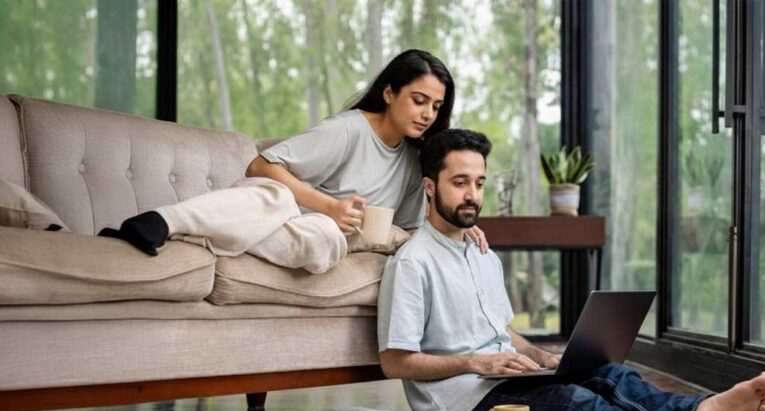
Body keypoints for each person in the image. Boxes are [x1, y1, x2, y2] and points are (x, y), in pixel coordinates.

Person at [377, 128, 765, 411]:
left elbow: (502, 331)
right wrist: (476, 362)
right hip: (459, 399)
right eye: (459, 182)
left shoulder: (483, 253)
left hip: (503, 377)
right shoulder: (413, 261)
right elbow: (396, 362)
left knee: (610, 374)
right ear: (430, 187)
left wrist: (543, 357)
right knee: (574, 404)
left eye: (479, 183)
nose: (473, 196)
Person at [99, 49, 488, 273]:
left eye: (436, 106)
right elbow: (259, 167)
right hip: (270, 208)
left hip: (315, 236)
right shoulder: (349, 129)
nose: (427, 114)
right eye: (418, 100)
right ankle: (162, 221)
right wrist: (330, 206)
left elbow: (404, 229)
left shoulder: (413, 162)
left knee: (324, 240)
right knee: (277, 198)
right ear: (389, 93)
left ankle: (188, 235)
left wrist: (454, 233)